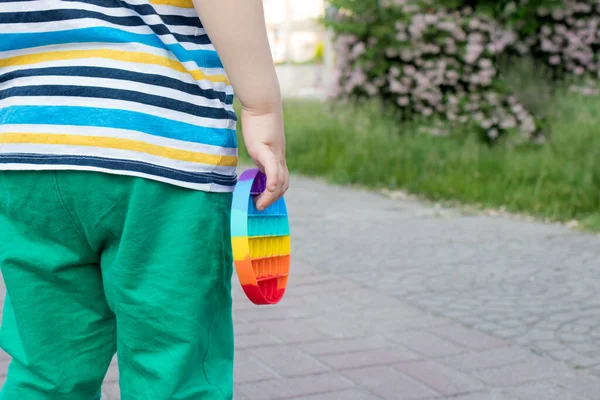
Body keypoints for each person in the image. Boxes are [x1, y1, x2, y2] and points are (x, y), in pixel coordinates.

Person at [0, 0, 288, 398]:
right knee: (170, 363)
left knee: (46, 369)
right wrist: (262, 107)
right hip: (159, 148)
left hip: (26, 150)